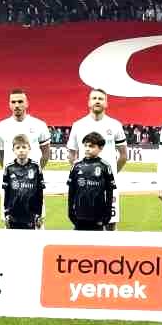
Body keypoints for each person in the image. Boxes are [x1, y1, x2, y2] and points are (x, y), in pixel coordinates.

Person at [64, 89, 128, 230]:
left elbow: (123, 156)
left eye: (101, 98)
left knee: (110, 224)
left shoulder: (115, 125)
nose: (97, 101)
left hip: (107, 187)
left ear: (106, 103)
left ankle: (111, 252)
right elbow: (71, 155)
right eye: (94, 98)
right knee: (81, 221)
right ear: (89, 102)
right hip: (84, 185)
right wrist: (81, 172)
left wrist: (109, 175)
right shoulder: (78, 125)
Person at [67, 131, 116, 232]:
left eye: (91, 146)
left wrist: (107, 214)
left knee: (96, 246)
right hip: (79, 215)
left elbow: (110, 193)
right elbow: (71, 192)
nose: (87, 148)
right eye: (85, 145)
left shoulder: (105, 166)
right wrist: (70, 212)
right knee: (78, 246)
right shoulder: (76, 166)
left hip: (98, 216)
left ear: (100, 148)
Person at [0, 89, 51, 167]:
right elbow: (0, 155)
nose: (17, 105)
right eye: (13, 102)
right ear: (9, 105)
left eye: (20, 102)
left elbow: (46, 154)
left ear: (27, 104)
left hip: (33, 178)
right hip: (10, 178)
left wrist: (36, 171)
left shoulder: (40, 125)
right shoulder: (0, 127)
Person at [1, 134, 45, 230]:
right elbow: (6, 193)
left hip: (31, 216)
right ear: (13, 150)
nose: (21, 150)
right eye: (18, 147)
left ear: (29, 148)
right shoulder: (9, 168)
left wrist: (39, 214)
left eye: (24, 147)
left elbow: (40, 193)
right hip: (13, 217)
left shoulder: (36, 167)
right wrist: (6, 213)